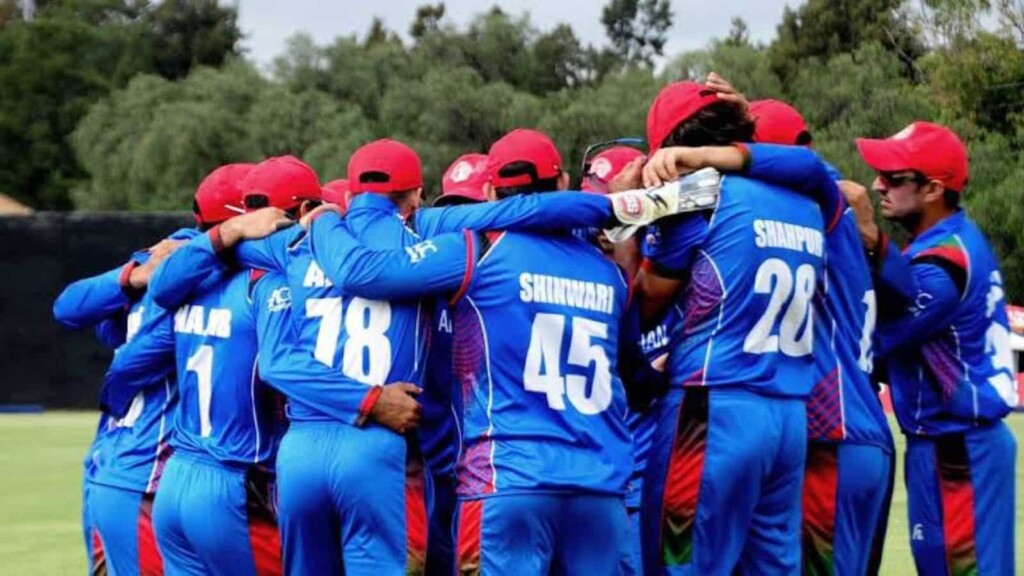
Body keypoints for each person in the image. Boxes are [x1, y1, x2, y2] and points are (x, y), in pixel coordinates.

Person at [219, 135, 705, 575]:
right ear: (559, 181)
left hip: (504, 476)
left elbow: (358, 275)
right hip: (598, 485)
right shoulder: (606, 272)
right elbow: (637, 380)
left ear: (491, 192)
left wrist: (230, 236)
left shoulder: (475, 249)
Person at [632, 81, 831, 575]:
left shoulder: (698, 195)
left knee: (681, 564)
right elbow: (811, 167)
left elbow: (645, 306)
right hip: (787, 416)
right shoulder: (806, 200)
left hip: (711, 406)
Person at [101, 157, 326, 575]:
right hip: (236, 486)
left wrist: (113, 398)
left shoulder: (196, 280)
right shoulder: (274, 281)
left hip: (177, 478)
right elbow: (287, 370)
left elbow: (132, 356)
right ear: (300, 211)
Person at [53, 163, 252, 575]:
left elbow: (72, 308)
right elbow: (73, 312)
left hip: (112, 464)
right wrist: (135, 275)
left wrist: (135, 276)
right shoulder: (201, 275)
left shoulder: (165, 259)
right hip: (145, 476)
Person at [840, 121, 1018, 576]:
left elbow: (872, 346)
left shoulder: (943, 264)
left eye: (895, 178)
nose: (879, 185)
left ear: (934, 188)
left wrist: (868, 240)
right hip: (941, 440)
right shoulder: (946, 243)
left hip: (960, 443)